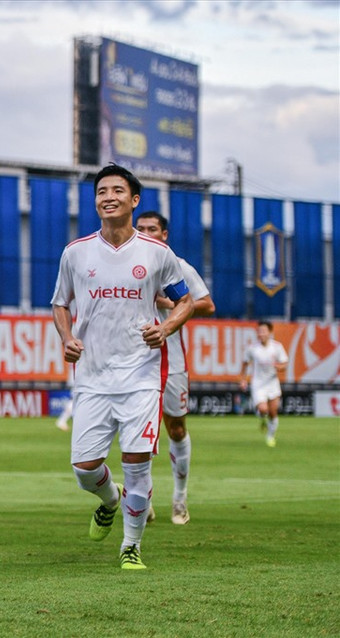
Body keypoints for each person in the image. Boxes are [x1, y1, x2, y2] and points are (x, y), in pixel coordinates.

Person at [51, 164, 193, 570]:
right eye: (101, 191)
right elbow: (60, 303)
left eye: (117, 190)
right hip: (93, 376)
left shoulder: (157, 254)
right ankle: (109, 500)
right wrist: (67, 338)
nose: (107, 196)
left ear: (134, 200)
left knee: (136, 463)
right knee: (84, 469)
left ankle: (131, 546)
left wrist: (165, 328)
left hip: (141, 377)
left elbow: (184, 301)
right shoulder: (75, 253)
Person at [136, 211, 216, 525]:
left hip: (172, 363)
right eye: (140, 228)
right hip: (134, 362)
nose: (145, 233)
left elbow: (207, 305)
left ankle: (180, 498)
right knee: (137, 433)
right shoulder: (123, 266)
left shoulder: (178, 266)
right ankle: (143, 499)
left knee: (177, 429)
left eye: (152, 229)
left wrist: (169, 302)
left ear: (164, 234)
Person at [239, 320, 288, 447]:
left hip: (272, 383)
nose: (261, 334)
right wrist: (243, 379)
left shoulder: (277, 347)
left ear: (270, 332)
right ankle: (261, 416)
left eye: (264, 331)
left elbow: (284, 363)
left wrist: (279, 366)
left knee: (273, 412)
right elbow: (245, 362)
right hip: (258, 383)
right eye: (259, 331)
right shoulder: (253, 348)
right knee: (263, 409)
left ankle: (270, 436)